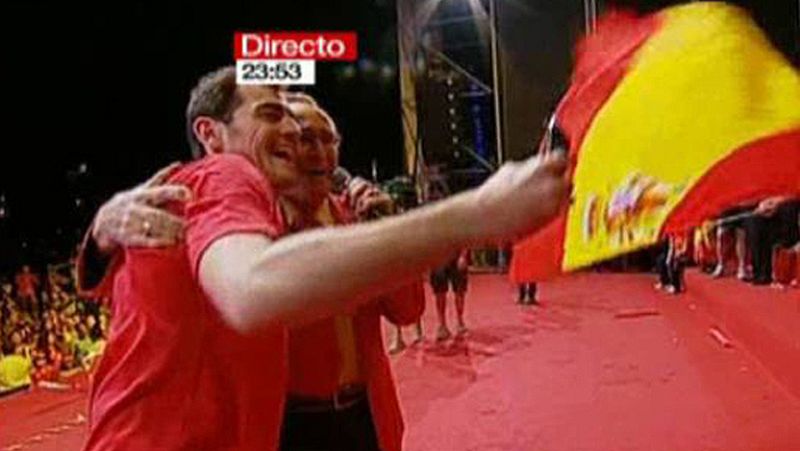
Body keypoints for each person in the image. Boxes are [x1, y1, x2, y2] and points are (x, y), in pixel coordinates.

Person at [74, 66, 569, 450]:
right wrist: (477, 214)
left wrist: (99, 235)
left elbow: (120, 287)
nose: (295, 135)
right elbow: (253, 289)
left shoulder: (232, 198)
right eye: (273, 116)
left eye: (315, 133)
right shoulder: (226, 177)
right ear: (211, 133)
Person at [430, 249, 471, 341]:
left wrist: (463, 255)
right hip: (437, 257)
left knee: (460, 291)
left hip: (456, 254)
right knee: (439, 292)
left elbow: (464, 235)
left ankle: (460, 322)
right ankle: (442, 325)